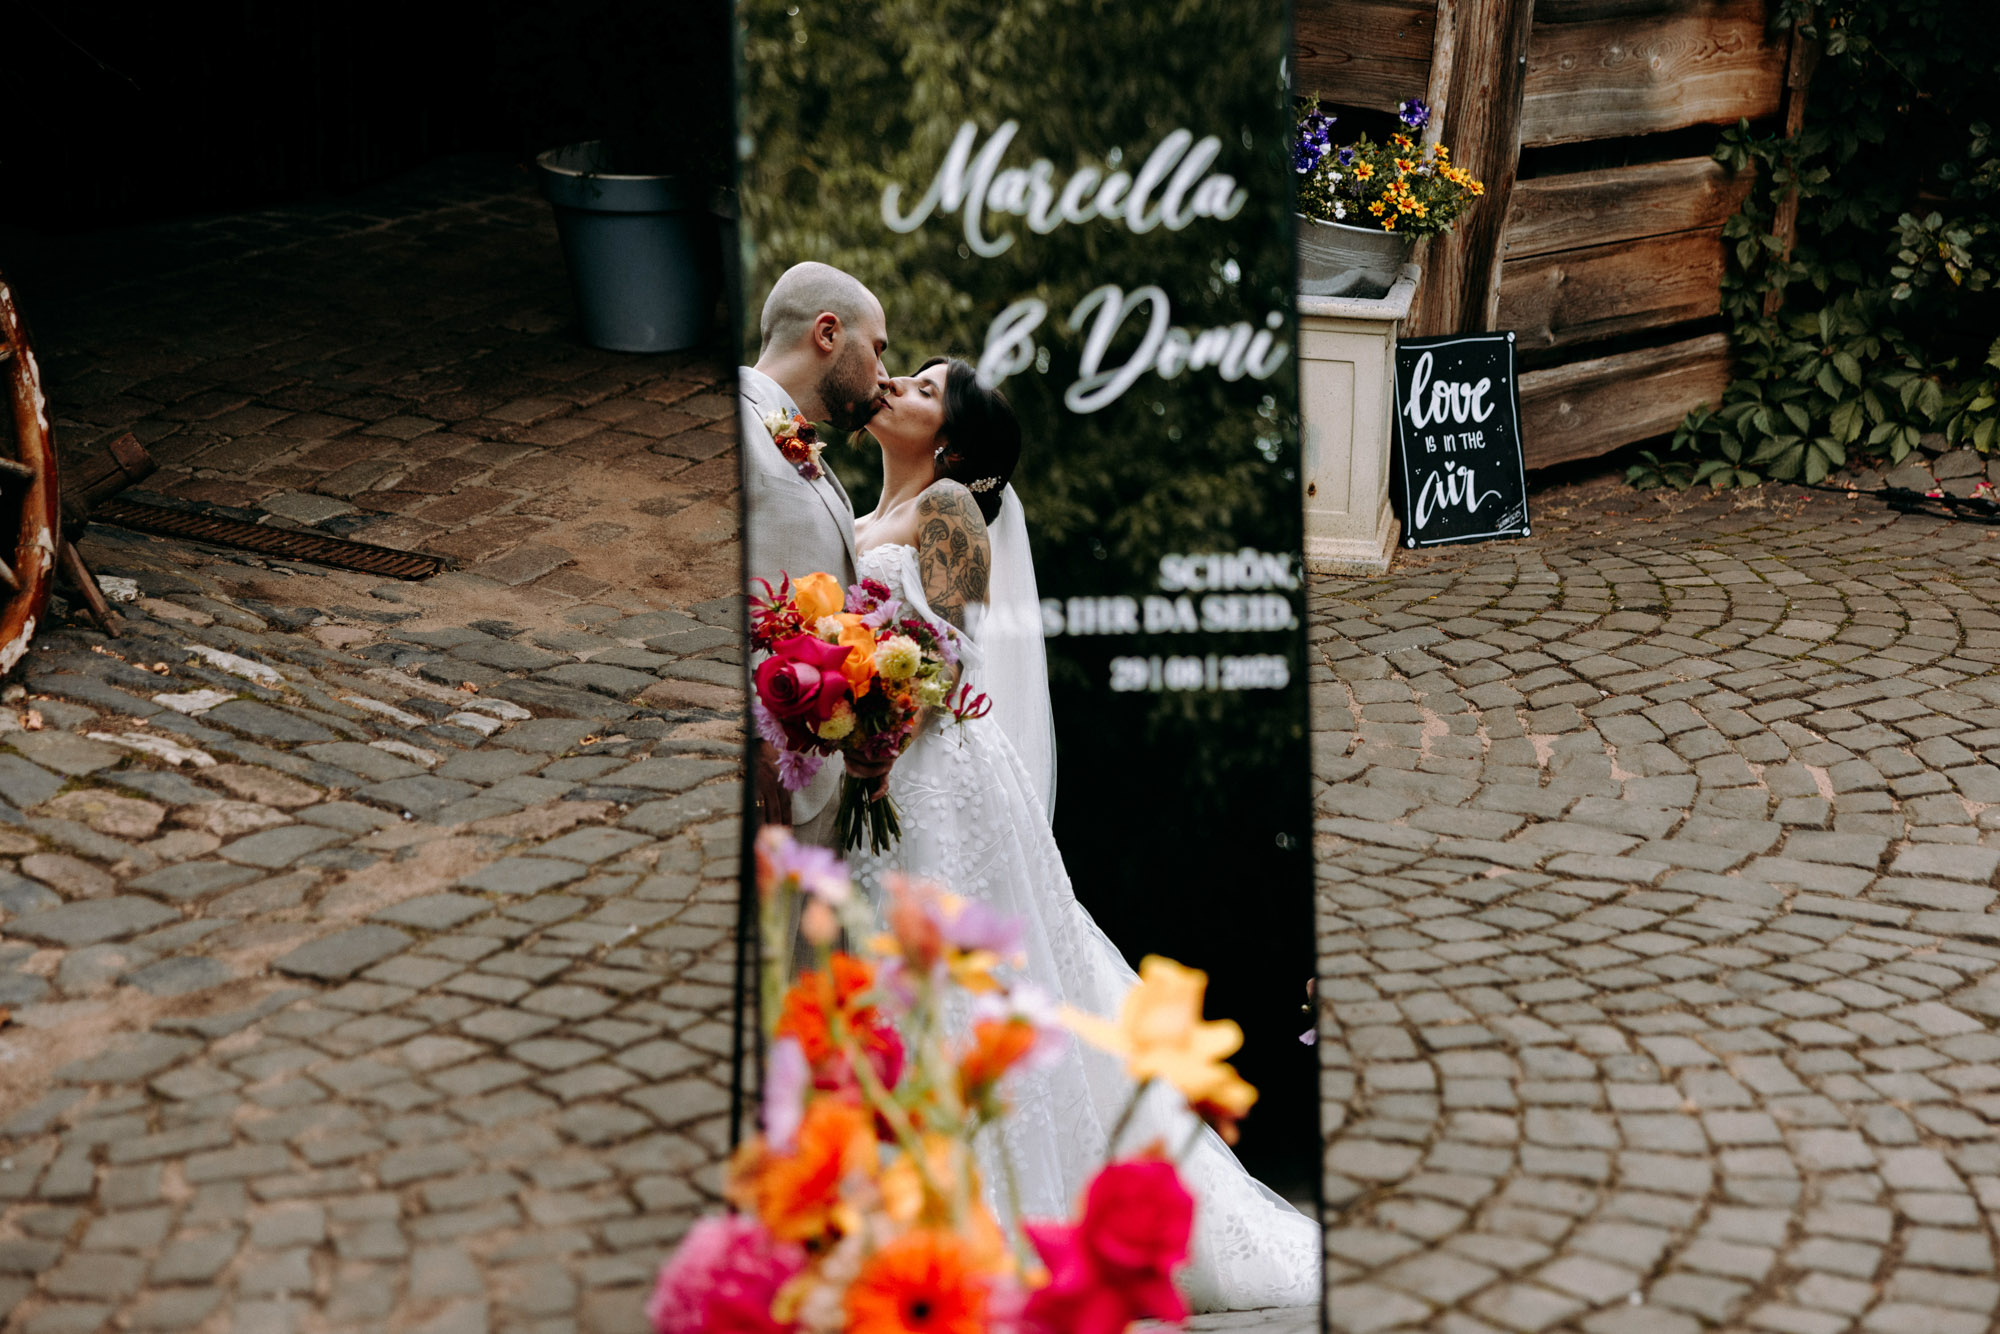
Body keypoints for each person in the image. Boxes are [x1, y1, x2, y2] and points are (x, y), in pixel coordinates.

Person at [848, 357, 1322, 1312]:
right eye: (903, 374)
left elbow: (947, 655)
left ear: (951, 440)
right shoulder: (855, 512)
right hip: (879, 773)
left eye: (925, 389)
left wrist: (861, 696)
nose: (895, 385)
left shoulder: (950, 515)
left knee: (963, 999)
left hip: (935, 777)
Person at [739, 262, 894, 846]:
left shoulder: (794, 439)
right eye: (876, 350)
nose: (882, 375)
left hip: (811, 789)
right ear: (827, 334)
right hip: (764, 788)